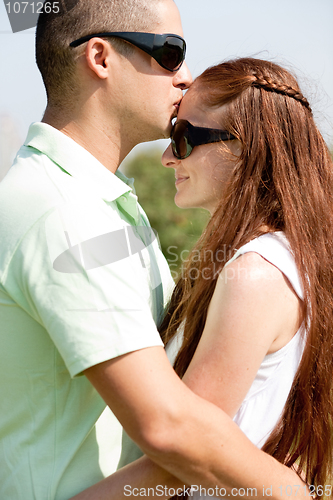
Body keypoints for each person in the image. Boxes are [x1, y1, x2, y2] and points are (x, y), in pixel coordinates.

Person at [0, 0, 308, 496]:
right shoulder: (61, 210)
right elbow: (168, 427)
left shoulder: (104, 202)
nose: (185, 76)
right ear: (100, 58)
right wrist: (293, 491)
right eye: (170, 52)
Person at [70, 57, 333, 500]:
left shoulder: (256, 272)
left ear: (245, 147)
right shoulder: (275, 259)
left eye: (184, 138)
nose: (168, 157)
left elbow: (186, 458)